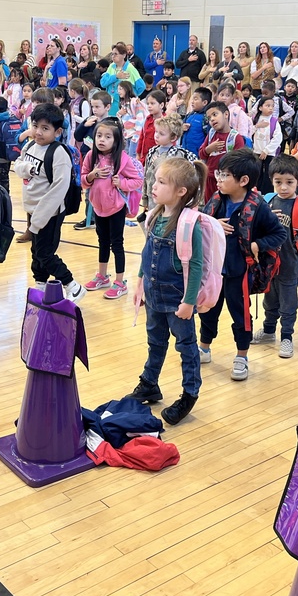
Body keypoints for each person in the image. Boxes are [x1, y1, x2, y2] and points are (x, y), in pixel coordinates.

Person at [125, 157, 209, 425]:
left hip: (177, 299)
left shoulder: (189, 223)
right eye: (156, 180)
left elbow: (195, 265)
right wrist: (140, 284)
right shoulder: (154, 215)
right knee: (155, 341)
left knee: (186, 346)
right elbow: (146, 253)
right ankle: (150, 382)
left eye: (161, 182)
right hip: (153, 295)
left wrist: (189, 301)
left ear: (181, 191)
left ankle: (190, 393)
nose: (154, 185)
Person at [198, 149, 289, 381]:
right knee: (208, 309)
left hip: (240, 273)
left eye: (225, 175)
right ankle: (204, 348)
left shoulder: (257, 205)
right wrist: (212, 224)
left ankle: (241, 356)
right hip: (214, 270)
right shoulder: (217, 199)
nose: (219, 179)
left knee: (241, 315)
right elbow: (201, 222)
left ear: (243, 180)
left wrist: (258, 244)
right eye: (218, 173)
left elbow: (279, 234)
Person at [13, 103, 86, 302]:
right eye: (35, 126)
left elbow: (58, 190)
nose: (38, 132)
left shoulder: (58, 153)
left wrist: (38, 220)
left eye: (45, 128)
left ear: (57, 131)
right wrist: (26, 168)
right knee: (36, 251)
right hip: (33, 209)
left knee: (45, 253)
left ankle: (72, 285)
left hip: (49, 213)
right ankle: (41, 284)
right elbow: (18, 164)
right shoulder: (30, 146)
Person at [253, 155, 298, 359]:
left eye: (289, 182)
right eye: (278, 182)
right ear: (271, 181)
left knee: (288, 302)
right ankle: (268, 330)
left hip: (290, 264)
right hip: (269, 262)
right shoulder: (268, 201)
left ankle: (286, 336)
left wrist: (294, 235)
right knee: (269, 299)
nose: (283, 187)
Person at [81, 118, 142, 299]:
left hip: (116, 208)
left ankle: (120, 282)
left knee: (117, 244)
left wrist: (121, 183)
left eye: (108, 137)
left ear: (116, 141)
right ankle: (102, 276)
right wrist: (92, 175)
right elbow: (83, 180)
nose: (102, 140)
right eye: (99, 135)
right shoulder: (90, 156)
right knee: (102, 241)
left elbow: (137, 180)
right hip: (98, 207)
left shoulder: (122, 159)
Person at [142, 113, 197, 216]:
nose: (156, 135)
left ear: (173, 138)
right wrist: (145, 198)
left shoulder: (177, 156)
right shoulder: (152, 151)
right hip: (152, 195)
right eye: (156, 131)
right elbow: (146, 175)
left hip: (169, 199)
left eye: (161, 133)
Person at [198, 101, 247, 201]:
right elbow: (201, 154)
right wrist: (209, 149)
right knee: (210, 206)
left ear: (226, 114)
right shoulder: (211, 134)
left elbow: (240, 163)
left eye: (215, 114)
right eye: (209, 118)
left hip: (226, 181)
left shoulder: (236, 138)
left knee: (224, 205)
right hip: (210, 178)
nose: (212, 119)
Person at [100, 43, 145, 115]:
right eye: (112, 54)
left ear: (124, 55)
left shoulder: (130, 68)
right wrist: (116, 77)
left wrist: (131, 97)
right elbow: (103, 83)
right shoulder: (111, 66)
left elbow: (141, 86)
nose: (113, 56)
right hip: (110, 104)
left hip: (124, 107)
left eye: (116, 54)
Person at [251, 96, 283, 194]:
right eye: (267, 106)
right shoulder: (255, 119)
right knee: (256, 174)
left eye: (272, 106)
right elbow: (247, 133)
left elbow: (278, 138)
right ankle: (255, 194)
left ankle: (267, 196)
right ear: (260, 107)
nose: (270, 108)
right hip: (256, 152)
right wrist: (257, 126)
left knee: (268, 176)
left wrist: (266, 150)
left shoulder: (274, 121)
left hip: (269, 153)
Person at [136, 89, 167, 164]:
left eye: (152, 103)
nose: (149, 106)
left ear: (161, 105)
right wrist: (138, 152)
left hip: (157, 158)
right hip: (145, 156)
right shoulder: (147, 119)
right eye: (148, 104)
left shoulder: (166, 121)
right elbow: (142, 136)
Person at [181, 85, 211, 157]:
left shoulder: (206, 118)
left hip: (197, 156)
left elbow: (209, 137)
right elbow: (179, 129)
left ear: (204, 102)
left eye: (195, 99)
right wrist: (182, 128)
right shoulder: (189, 115)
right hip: (184, 153)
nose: (192, 102)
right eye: (192, 99)